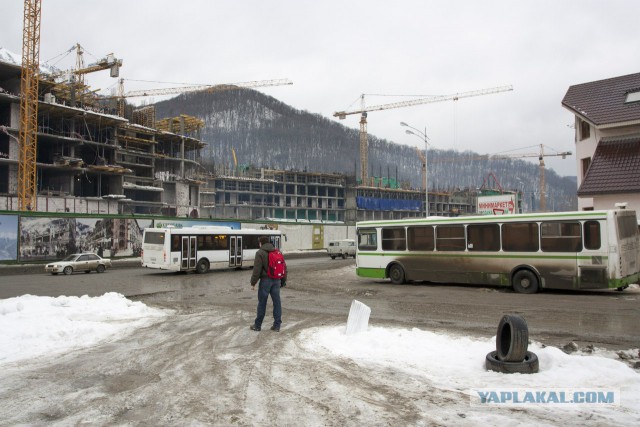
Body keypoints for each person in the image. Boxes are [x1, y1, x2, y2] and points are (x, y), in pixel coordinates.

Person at [249, 236, 286, 332]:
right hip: (277, 280)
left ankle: (257, 325)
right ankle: (277, 325)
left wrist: (253, 283)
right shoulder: (277, 251)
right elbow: (284, 267)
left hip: (266, 281)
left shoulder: (260, 253)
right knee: (277, 303)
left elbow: (256, 270)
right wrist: (283, 280)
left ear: (260, 243)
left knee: (262, 303)